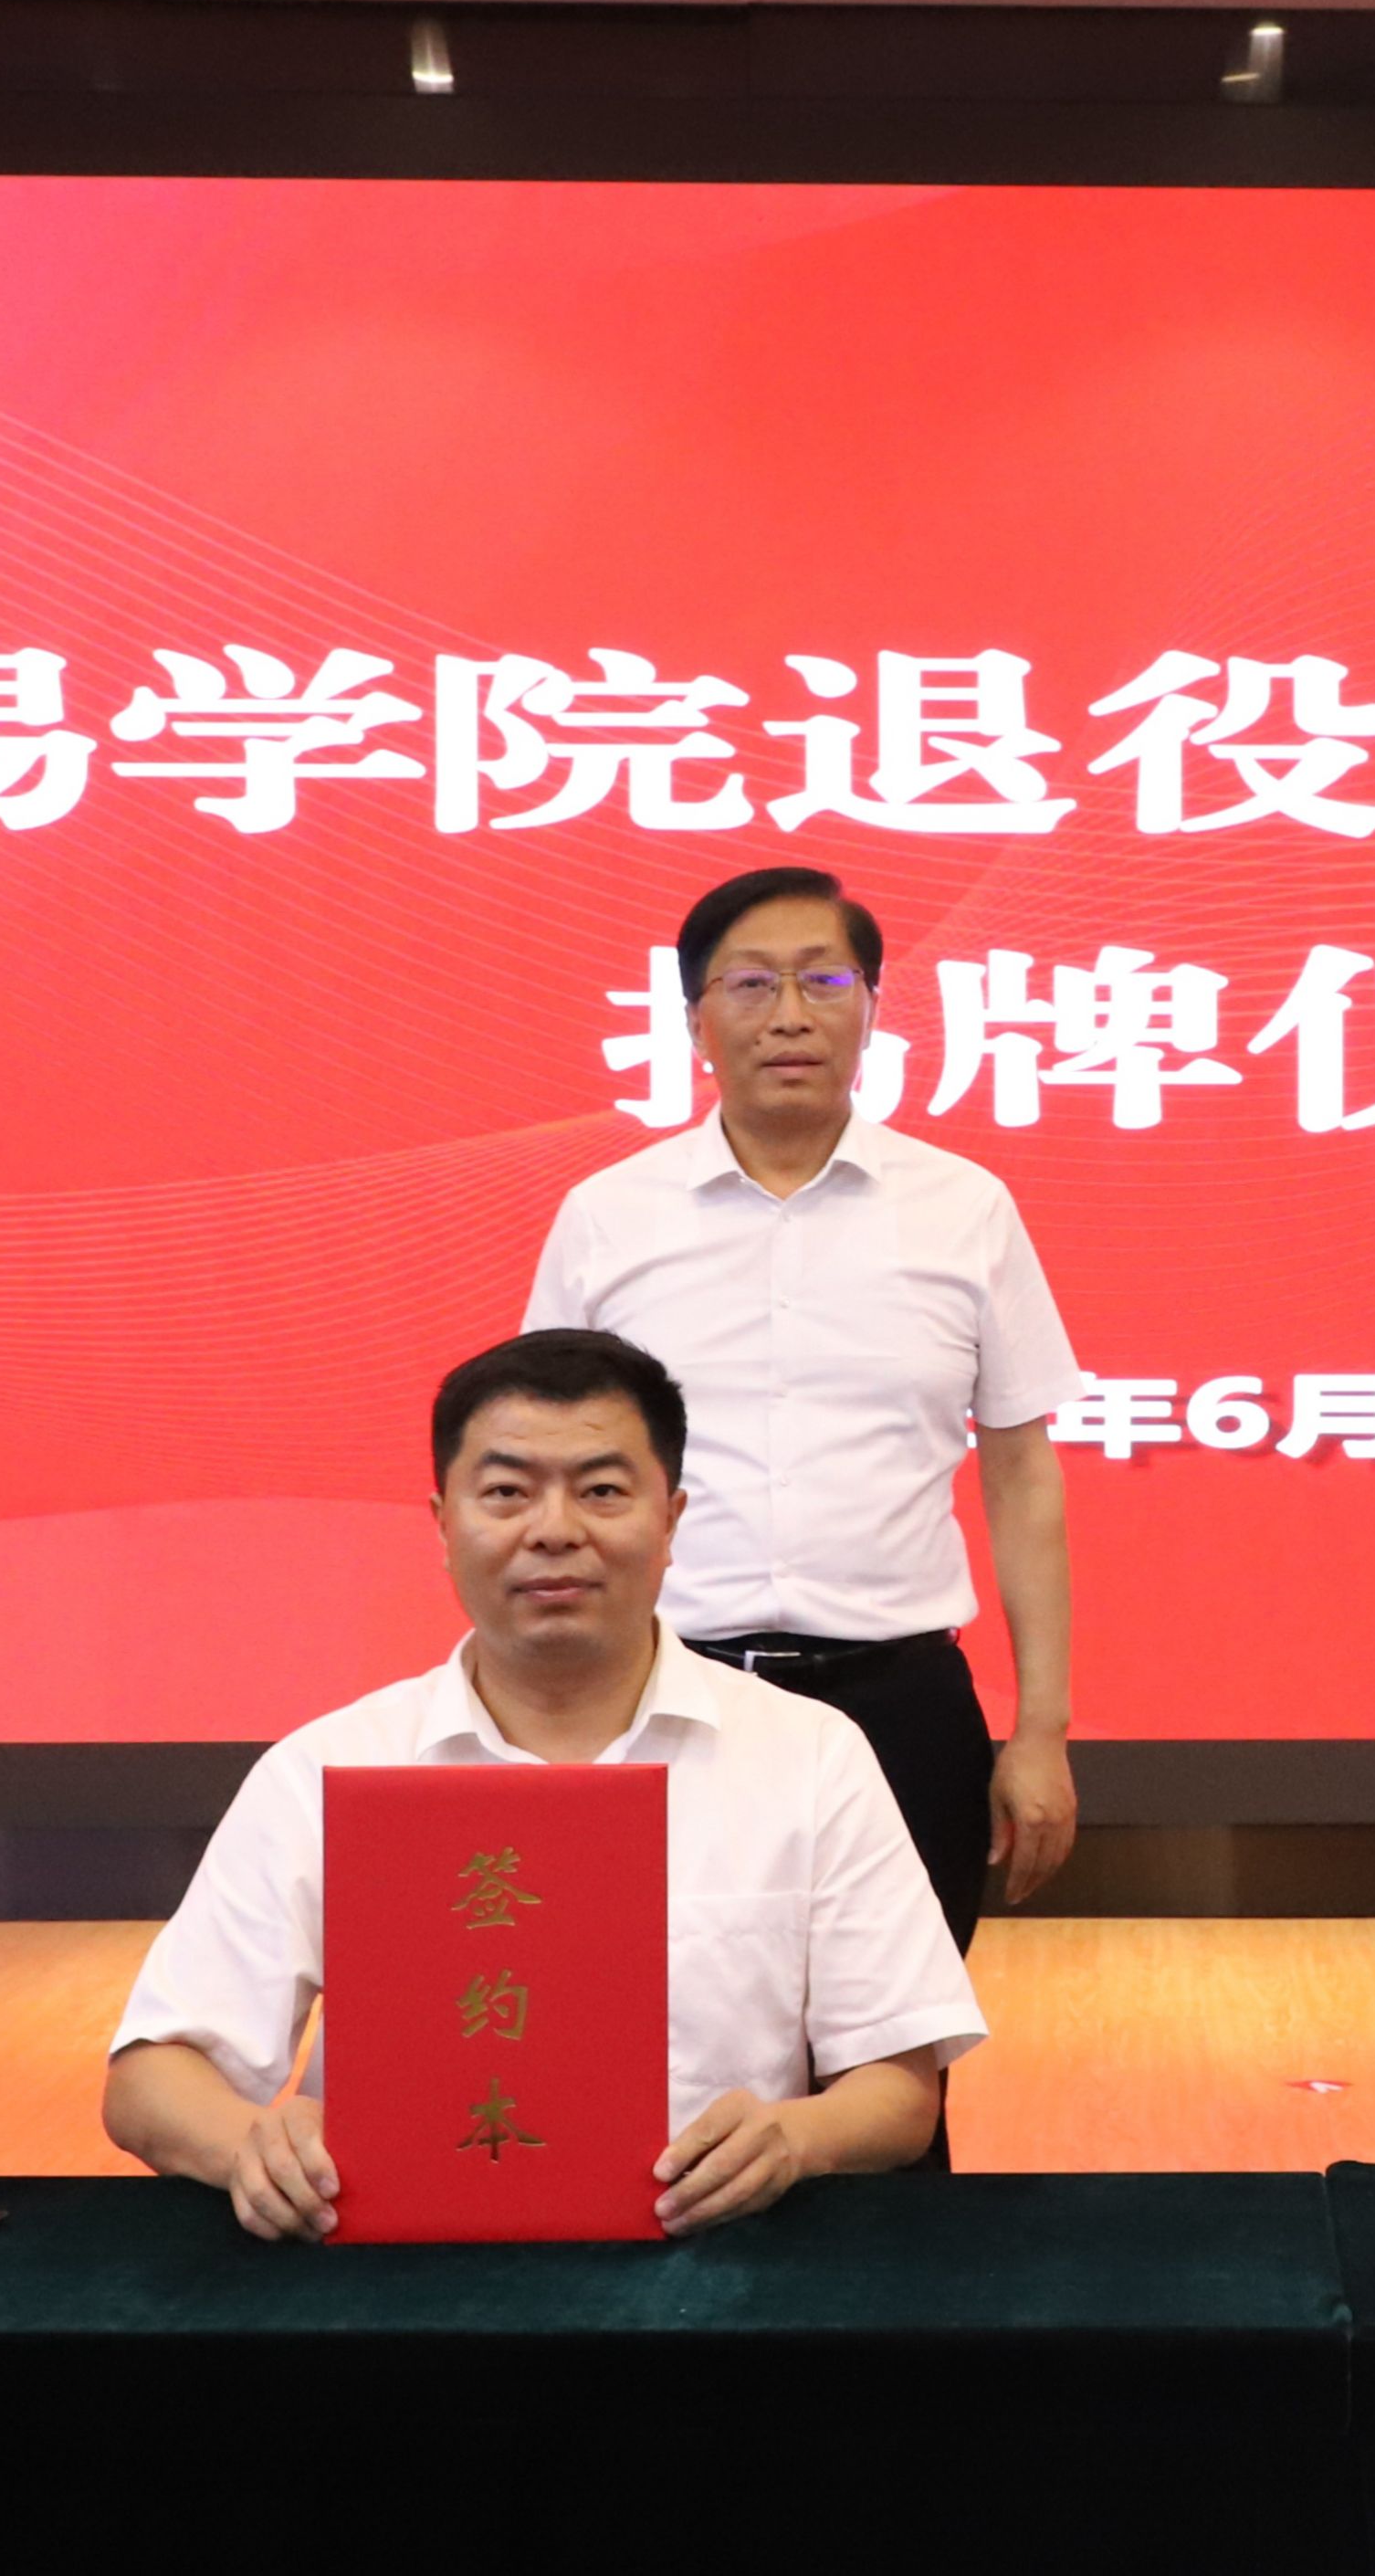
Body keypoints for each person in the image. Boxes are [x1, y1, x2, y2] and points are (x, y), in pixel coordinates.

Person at [107, 1328, 985, 2239]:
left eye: (602, 1490)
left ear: (671, 1520)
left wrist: (797, 2137)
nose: (555, 1529)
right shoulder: (325, 1767)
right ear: (443, 1523)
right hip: (398, 2272)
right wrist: (252, 2148)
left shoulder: (809, 1753)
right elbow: (149, 2078)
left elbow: (898, 2086)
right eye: (506, 1492)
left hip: (720, 2262)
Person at [521, 867, 1081, 1962]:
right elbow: (539, 1471)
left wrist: (1042, 1729)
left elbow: (1022, 1478)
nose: (789, 1014)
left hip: (900, 1702)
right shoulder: (608, 1216)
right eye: (750, 983)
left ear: (871, 1007)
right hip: (658, 1694)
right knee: (649, 2015)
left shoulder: (964, 1206)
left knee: (894, 2034)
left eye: (823, 980)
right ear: (695, 1020)